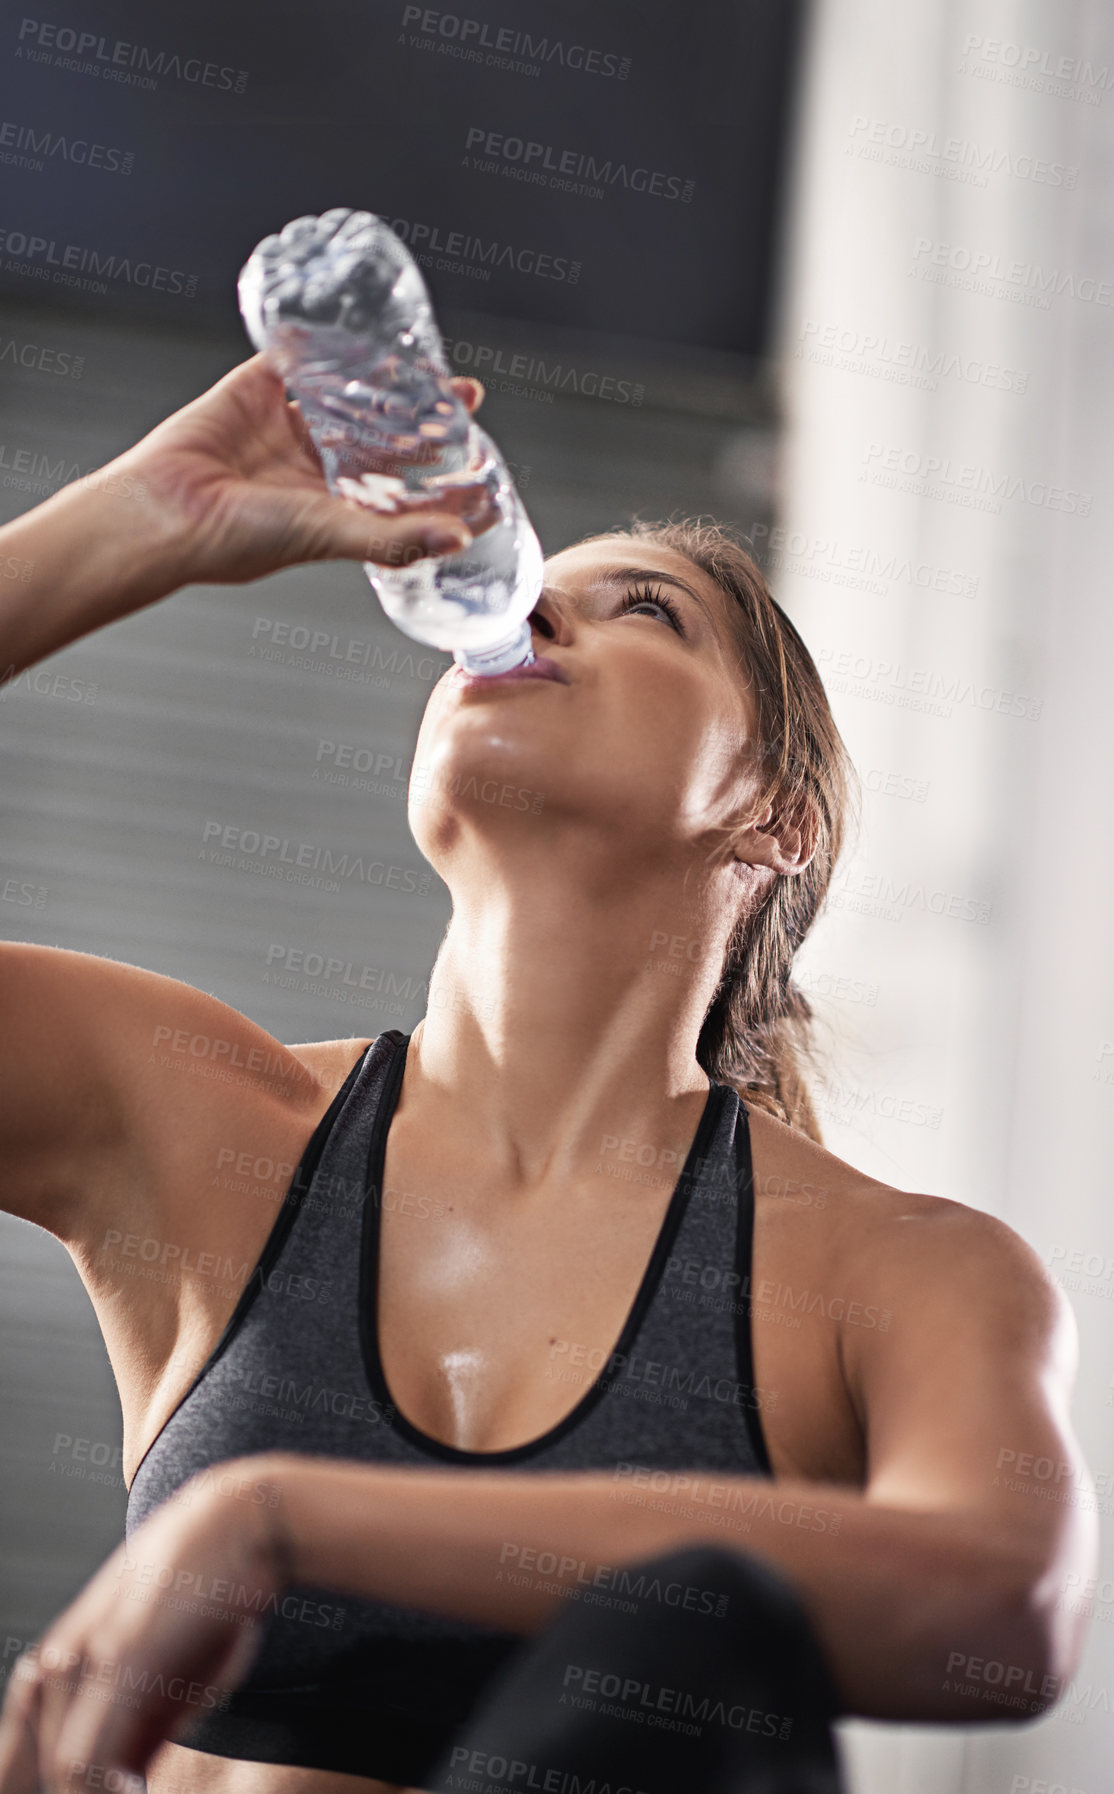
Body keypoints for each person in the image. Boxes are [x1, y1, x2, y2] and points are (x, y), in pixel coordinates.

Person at [0, 353, 1097, 1794]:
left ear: (778, 813)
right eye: (521, 590)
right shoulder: (201, 1120)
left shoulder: (905, 1274)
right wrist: (133, 525)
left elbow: (1003, 1607)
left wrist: (284, 1518)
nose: (520, 612)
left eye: (640, 608)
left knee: (688, 1650)